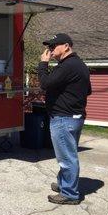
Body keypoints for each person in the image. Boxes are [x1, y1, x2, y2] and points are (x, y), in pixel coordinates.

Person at [37, 33, 91, 205]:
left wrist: (43, 64)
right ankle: (64, 184)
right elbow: (87, 90)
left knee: (66, 158)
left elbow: (45, 83)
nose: (50, 50)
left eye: (54, 46)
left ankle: (69, 194)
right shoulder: (78, 65)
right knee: (67, 154)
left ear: (66, 46)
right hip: (73, 117)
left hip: (64, 118)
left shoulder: (67, 65)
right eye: (49, 47)